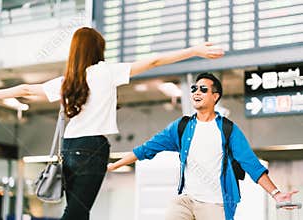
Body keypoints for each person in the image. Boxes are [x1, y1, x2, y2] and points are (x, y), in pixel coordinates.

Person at [0, 27, 224, 219]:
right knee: (77, 213)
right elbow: (154, 61)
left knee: (77, 211)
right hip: (93, 148)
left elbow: (28, 89)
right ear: (97, 50)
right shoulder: (106, 72)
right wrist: (194, 51)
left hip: (69, 148)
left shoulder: (68, 81)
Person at [107, 73, 299, 220]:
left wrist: (276, 194)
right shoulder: (181, 127)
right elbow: (146, 149)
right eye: (194, 89)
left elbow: (251, 164)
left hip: (215, 204)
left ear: (215, 97)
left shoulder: (228, 129)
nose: (196, 92)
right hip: (186, 200)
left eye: (203, 89)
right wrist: (112, 166)